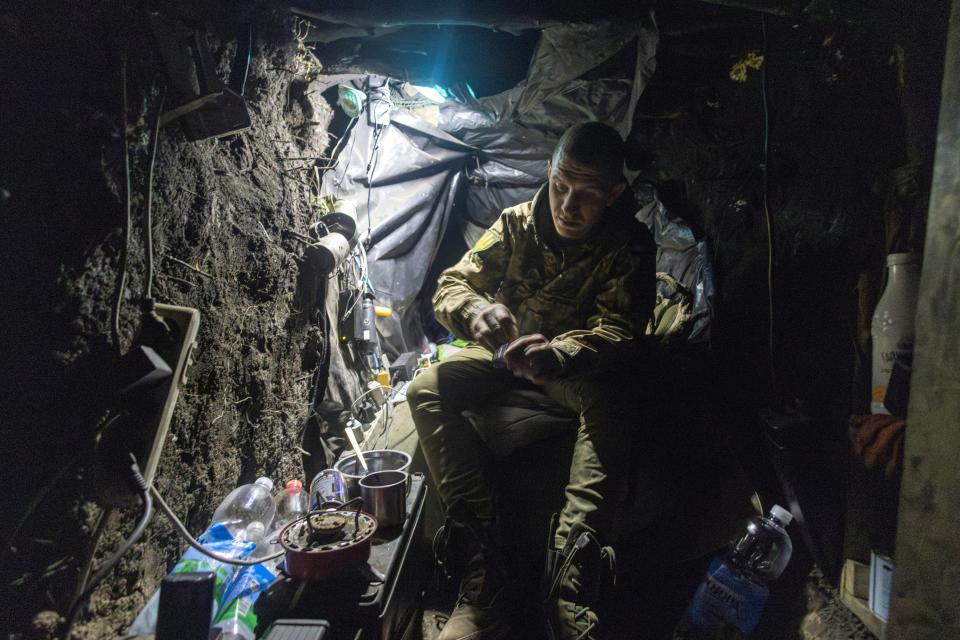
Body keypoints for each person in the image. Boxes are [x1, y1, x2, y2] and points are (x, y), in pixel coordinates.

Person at [407, 121, 656, 640]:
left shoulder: (628, 246)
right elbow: (452, 283)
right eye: (562, 185)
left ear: (614, 193)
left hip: (568, 374)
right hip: (505, 360)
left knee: (615, 400)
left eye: (587, 195)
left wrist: (562, 353)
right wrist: (475, 310)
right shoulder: (516, 223)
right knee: (425, 388)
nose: (567, 206)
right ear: (548, 171)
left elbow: (624, 330)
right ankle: (483, 562)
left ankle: (569, 582)